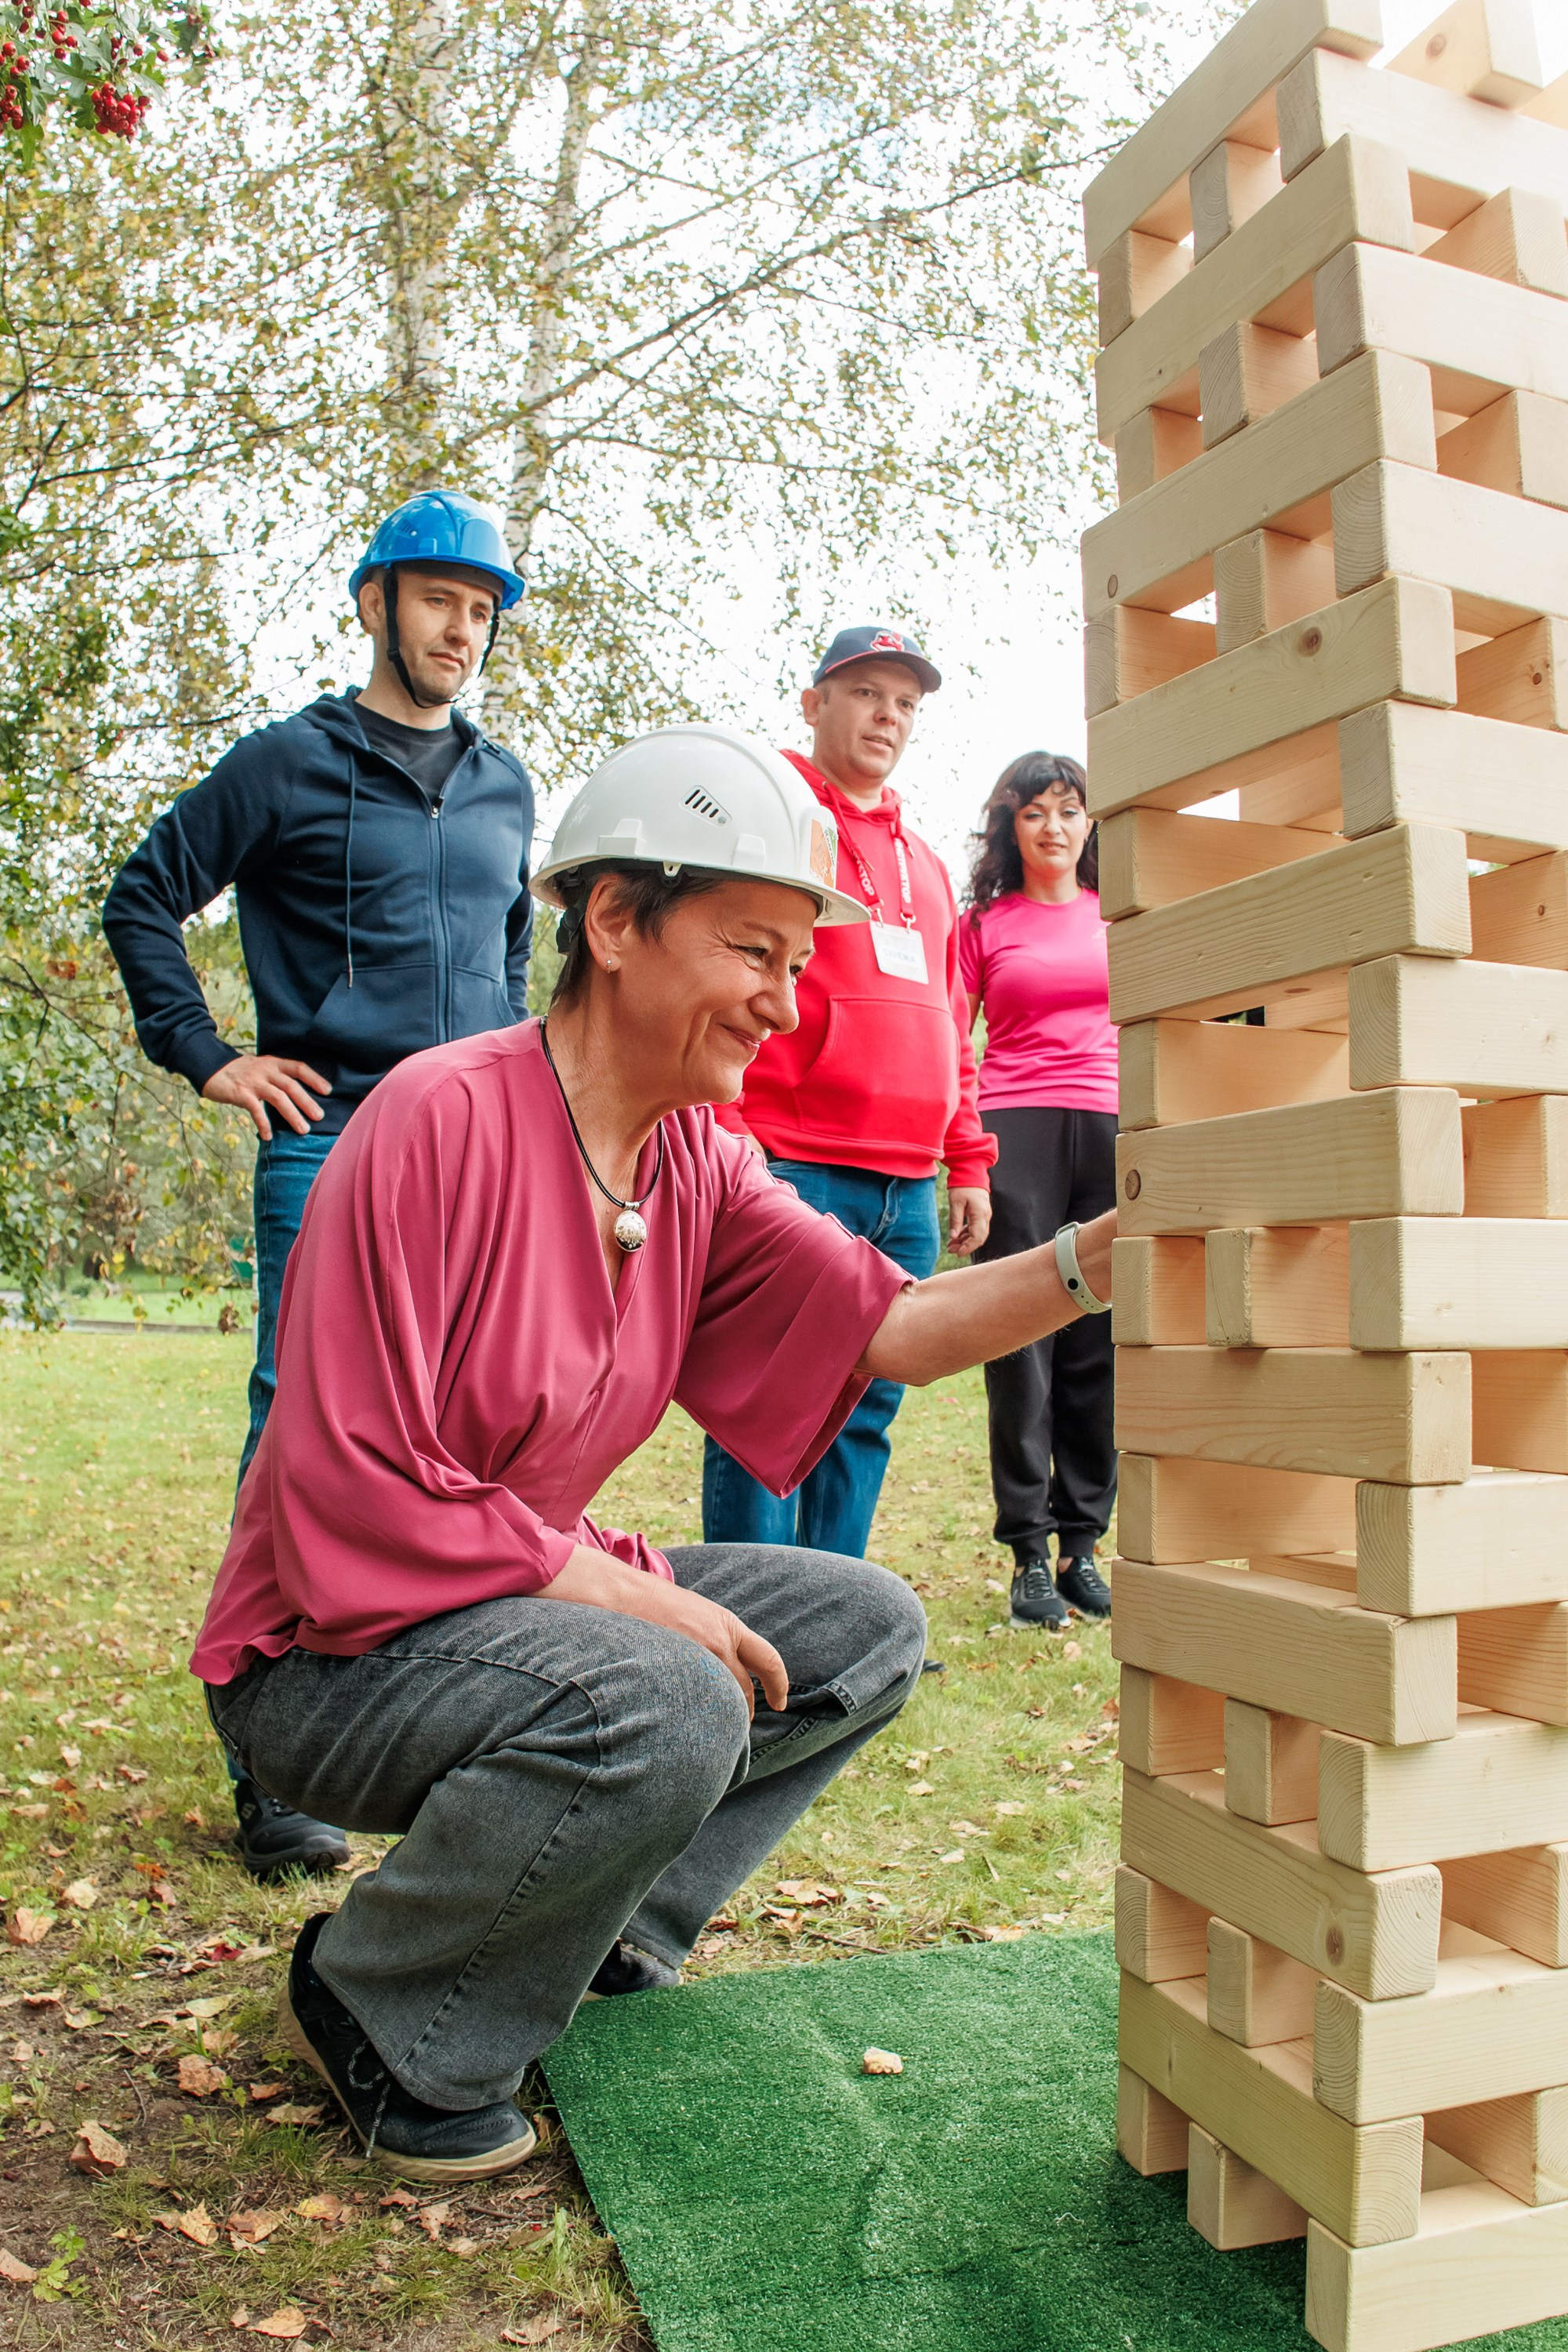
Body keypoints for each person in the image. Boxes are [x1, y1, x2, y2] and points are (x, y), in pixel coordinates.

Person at [192, 724, 1117, 2183]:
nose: (780, 1001)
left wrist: (1106, 1258)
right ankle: (377, 1996)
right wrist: (642, 1598)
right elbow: (346, 1484)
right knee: (678, 1688)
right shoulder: (438, 1121)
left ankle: (589, 1936)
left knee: (865, 1624)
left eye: (797, 965)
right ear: (614, 922)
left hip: (509, 1612)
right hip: (323, 1656)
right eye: (754, 949)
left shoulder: (696, 1164)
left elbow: (900, 1327)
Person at [102, 488, 535, 1880]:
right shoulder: (289, 763)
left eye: (482, 611)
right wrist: (211, 1056)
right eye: (438, 602)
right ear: (375, 602)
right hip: (330, 1139)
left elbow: (515, 968)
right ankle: (267, 1758)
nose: (461, 630)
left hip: (470, 1156)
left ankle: (425, 1711)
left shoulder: (505, 784)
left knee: (457, 1436)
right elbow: (141, 895)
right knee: (301, 1427)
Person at [702, 625, 996, 1559]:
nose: (887, 716)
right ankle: (747, 1624)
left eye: (904, 702)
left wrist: (967, 1157)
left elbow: (951, 1020)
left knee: (864, 1419)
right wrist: (726, 1122)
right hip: (792, 1166)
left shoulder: (928, 865)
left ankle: (836, 1629)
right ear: (813, 703)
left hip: (904, 1184)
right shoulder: (776, 824)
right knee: (766, 1411)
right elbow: (726, 975)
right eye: (866, 692)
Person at [960, 752, 1117, 1633]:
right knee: (1020, 1343)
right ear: (1009, 826)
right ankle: (1026, 1552)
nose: (1051, 827)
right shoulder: (982, 923)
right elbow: (953, 1039)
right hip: (1012, 1129)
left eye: (1067, 810)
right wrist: (967, 1162)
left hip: (1110, 1125)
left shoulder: (1121, 914)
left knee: (1100, 1337)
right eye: (1032, 813)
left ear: (1091, 822)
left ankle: (1080, 1545)